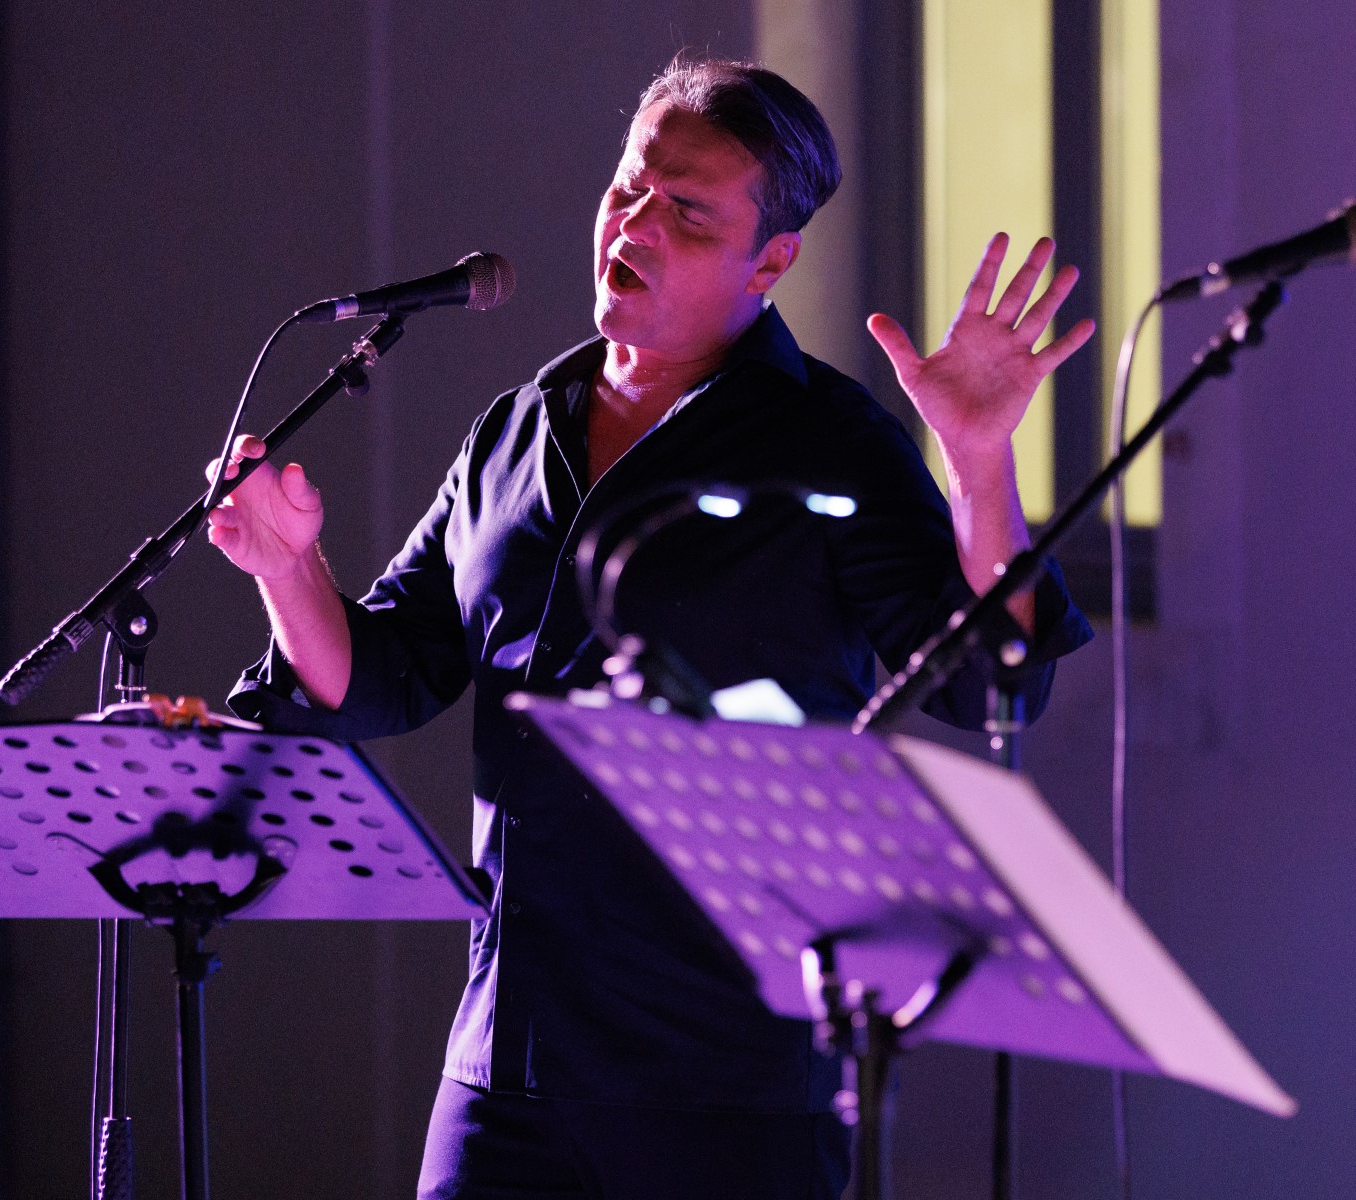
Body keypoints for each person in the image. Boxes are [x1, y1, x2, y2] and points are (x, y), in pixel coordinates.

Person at [209, 57, 1094, 1200]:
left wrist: (978, 468)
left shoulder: (831, 440)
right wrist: (288, 567)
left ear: (769, 262)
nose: (635, 223)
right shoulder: (516, 431)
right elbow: (385, 674)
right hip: (510, 1059)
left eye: (688, 211)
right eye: (630, 187)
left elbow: (993, 685)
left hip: (723, 1082)